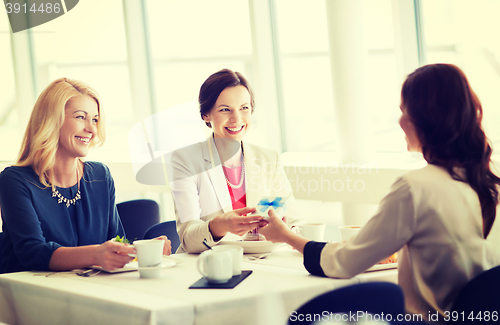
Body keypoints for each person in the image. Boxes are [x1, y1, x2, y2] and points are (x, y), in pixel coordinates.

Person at [259, 64, 500, 322]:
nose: (399, 121)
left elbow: (345, 262)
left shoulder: (415, 187)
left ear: (428, 118)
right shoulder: (490, 179)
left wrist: (286, 236)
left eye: (405, 111)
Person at [0, 78, 171, 274]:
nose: (91, 129)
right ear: (52, 120)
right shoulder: (14, 181)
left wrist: (141, 250)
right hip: (34, 295)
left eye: (95, 119)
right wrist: (96, 254)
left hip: (90, 290)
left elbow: (115, 241)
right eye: (81, 117)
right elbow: (32, 253)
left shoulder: (100, 175)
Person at [167, 69, 296, 253]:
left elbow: (293, 219)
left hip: (262, 260)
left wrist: (287, 229)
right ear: (206, 115)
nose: (236, 119)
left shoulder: (269, 158)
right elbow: (188, 238)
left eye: (244, 108)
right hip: (208, 264)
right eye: (225, 110)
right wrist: (220, 225)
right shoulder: (185, 160)